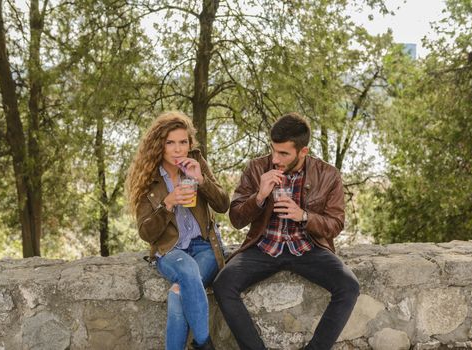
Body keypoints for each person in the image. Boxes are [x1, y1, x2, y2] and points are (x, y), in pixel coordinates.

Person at [213, 112, 360, 350]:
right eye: (273, 150)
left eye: (284, 153)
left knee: (349, 286)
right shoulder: (256, 168)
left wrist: (303, 216)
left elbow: (336, 224)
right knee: (223, 284)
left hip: (307, 248)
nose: (276, 158)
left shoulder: (328, 174)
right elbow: (236, 218)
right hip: (263, 247)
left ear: (303, 151)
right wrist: (259, 195)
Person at [126, 111, 229, 350]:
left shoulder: (196, 163)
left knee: (177, 293)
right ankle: (204, 344)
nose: (178, 149)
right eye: (170, 142)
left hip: (205, 247)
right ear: (159, 146)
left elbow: (223, 204)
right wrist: (168, 204)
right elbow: (146, 232)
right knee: (187, 270)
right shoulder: (149, 179)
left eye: (183, 142)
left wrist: (201, 180)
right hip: (170, 251)